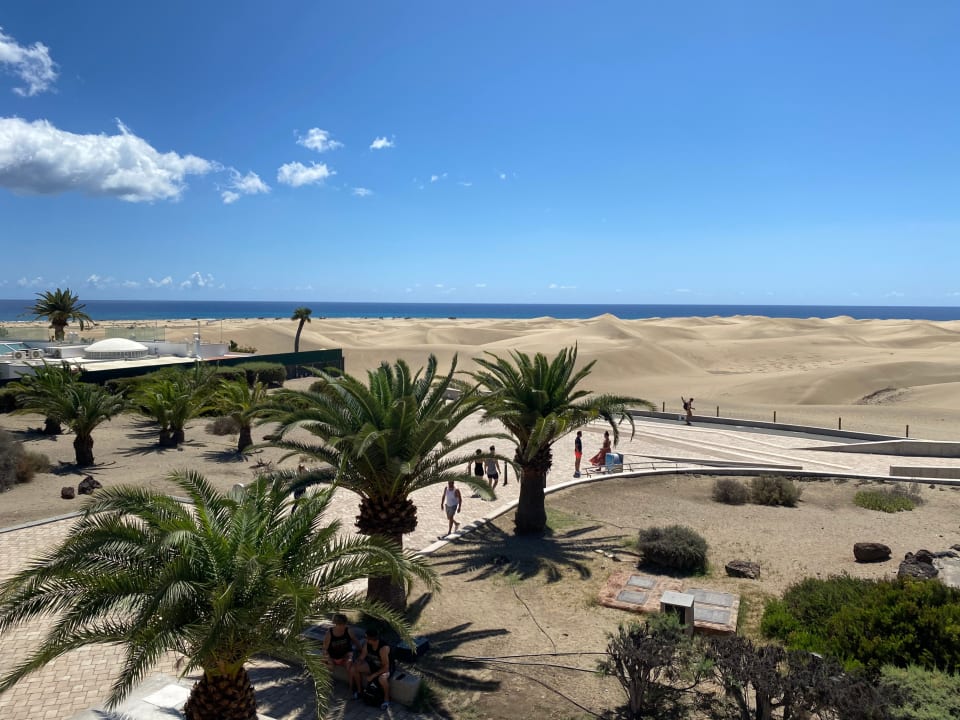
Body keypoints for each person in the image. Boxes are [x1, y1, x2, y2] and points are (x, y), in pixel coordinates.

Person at [350, 628, 393, 710]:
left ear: (371, 639)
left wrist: (373, 676)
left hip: (385, 668)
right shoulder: (367, 644)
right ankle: (360, 692)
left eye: (366, 637)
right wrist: (357, 662)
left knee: (382, 679)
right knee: (354, 668)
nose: (365, 638)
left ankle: (386, 699)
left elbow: (386, 666)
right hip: (373, 665)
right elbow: (362, 656)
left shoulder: (383, 648)